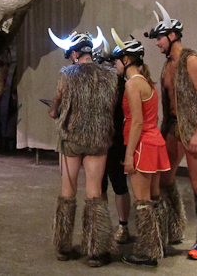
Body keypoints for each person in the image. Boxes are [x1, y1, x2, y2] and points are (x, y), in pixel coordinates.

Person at [145, 1, 197, 260]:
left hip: (193, 129)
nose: (157, 43)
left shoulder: (191, 60)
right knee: (165, 179)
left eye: (159, 38)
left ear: (172, 36)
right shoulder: (167, 65)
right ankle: (173, 226)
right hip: (173, 128)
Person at [48, 28, 118, 267]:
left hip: (71, 140)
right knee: (94, 192)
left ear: (75, 53)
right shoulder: (109, 75)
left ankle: (63, 247)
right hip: (98, 141)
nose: (70, 58)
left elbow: (57, 110)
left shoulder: (67, 74)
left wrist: (54, 109)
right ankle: (96, 251)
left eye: (70, 54)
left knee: (67, 191)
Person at [111, 29, 170, 267]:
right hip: (155, 143)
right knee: (154, 198)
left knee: (143, 200)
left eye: (117, 61)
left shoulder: (132, 84)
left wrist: (128, 155)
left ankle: (147, 252)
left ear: (126, 60)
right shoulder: (147, 82)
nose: (115, 65)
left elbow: (136, 121)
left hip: (142, 145)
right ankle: (157, 243)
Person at [93, 30, 131, 245]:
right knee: (99, 187)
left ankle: (123, 226)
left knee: (119, 184)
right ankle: (103, 225)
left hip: (116, 142)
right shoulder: (96, 87)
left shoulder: (121, 85)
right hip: (99, 142)